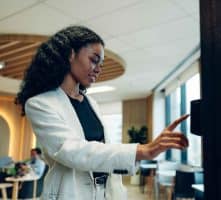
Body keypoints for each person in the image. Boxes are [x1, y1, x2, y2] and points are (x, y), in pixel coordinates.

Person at [15, 26, 189, 200]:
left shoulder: (92, 103)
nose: (98, 69)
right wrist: (142, 150)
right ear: (70, 54)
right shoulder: (40, 104)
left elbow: (103, 149)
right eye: (94, 59)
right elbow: (72, 151)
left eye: (101, 64)